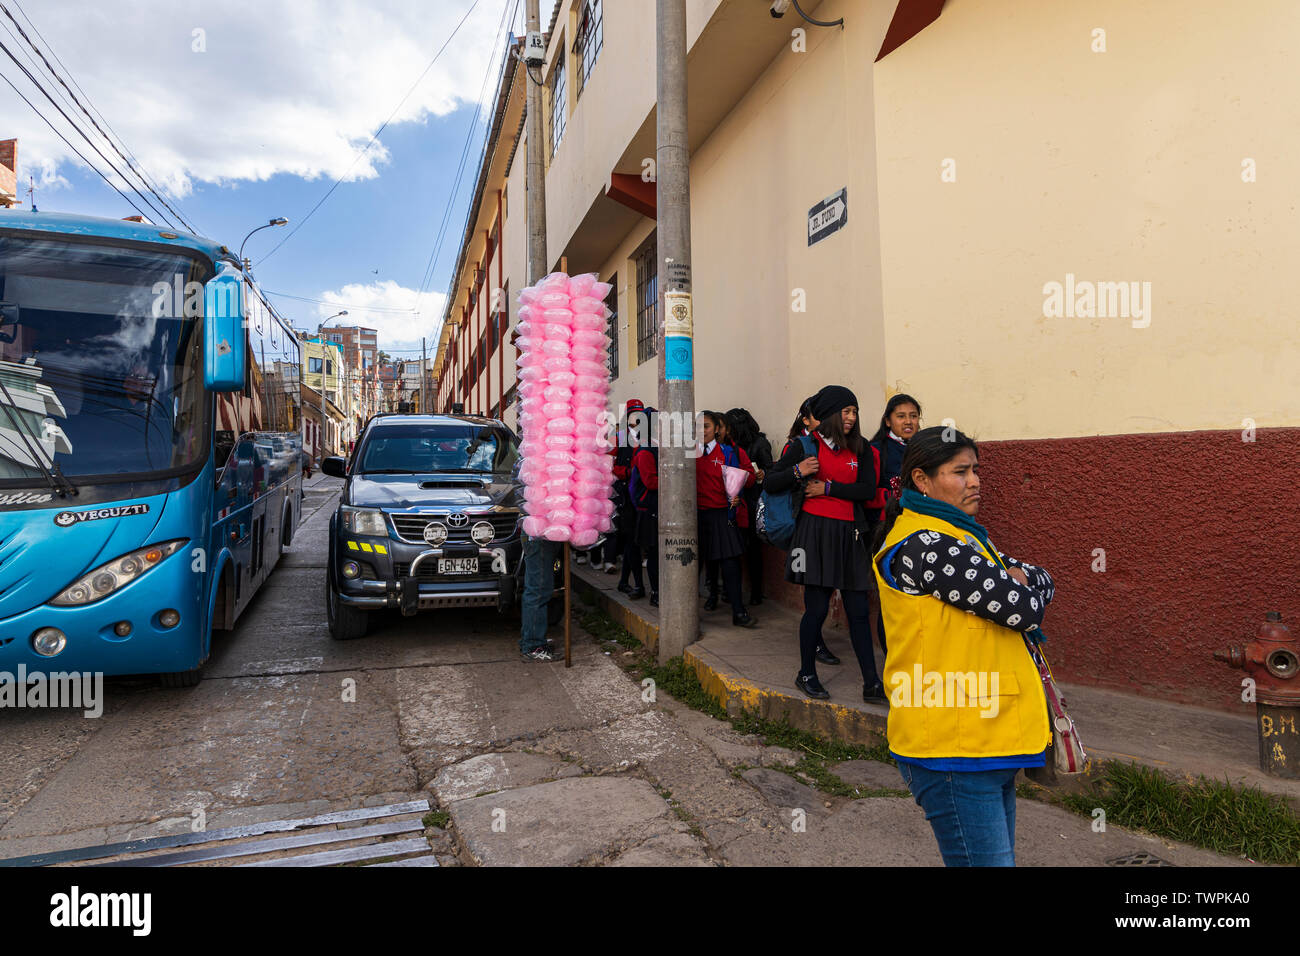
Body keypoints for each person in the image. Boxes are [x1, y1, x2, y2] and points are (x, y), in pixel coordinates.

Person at [872, 426, 1055, 866]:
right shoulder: (925, 545)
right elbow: (1026, 608)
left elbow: (1042, 578)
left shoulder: (967, 538)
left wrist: (1021, 583)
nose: (975, 481)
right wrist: (1018, 583)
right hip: (951, 749)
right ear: (922, 479)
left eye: (976, 470)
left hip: (983, 740)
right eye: (960, 471)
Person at [765, 385, 882, 701]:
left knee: (858, 610)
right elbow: (772, 482)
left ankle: (872, 683)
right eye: (846, 411)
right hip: (813, 535)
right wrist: (797, 470)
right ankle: (806, 673)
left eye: (855, 412)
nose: (851, 418)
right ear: (831, 413)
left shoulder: (861, 449)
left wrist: (828, 488)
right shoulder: (805, 446)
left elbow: (867, 491)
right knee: (816, 609)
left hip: (850, 536)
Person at [696, 410, 756, 628]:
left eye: (706, 426)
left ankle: (738, 612)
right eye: (697, 426)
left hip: (721, 514)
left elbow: (736, 484)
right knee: (694, 564)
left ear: (717, 430)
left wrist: (735, 497)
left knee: (730, 562)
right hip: (695, 517)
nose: (701, 431)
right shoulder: (686, 453)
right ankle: (691, 612)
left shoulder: (728, 453)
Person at [726, 408, 772, 606]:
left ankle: (756, 591)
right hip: (737, 499)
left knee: (753, 549)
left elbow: (770, 470)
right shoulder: (730, 446)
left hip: (753, 501)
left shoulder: (759, 444)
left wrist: (763, 473)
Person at [615, 399, 648, 598]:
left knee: (633, 541)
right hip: (626, 497)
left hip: (643, 496)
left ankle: (623, 582)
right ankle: (638, 585)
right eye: (633, 415)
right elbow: (612, 466)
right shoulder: (619, 438)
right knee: (631, 541)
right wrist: (631, 472)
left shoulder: (649, 437)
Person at [628, 406, 660, 606]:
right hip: (649, 509)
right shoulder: (645, 451)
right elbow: (651, 482)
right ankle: (656, 592)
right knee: (655, 554)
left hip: (657, 507)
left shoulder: (657, 446)